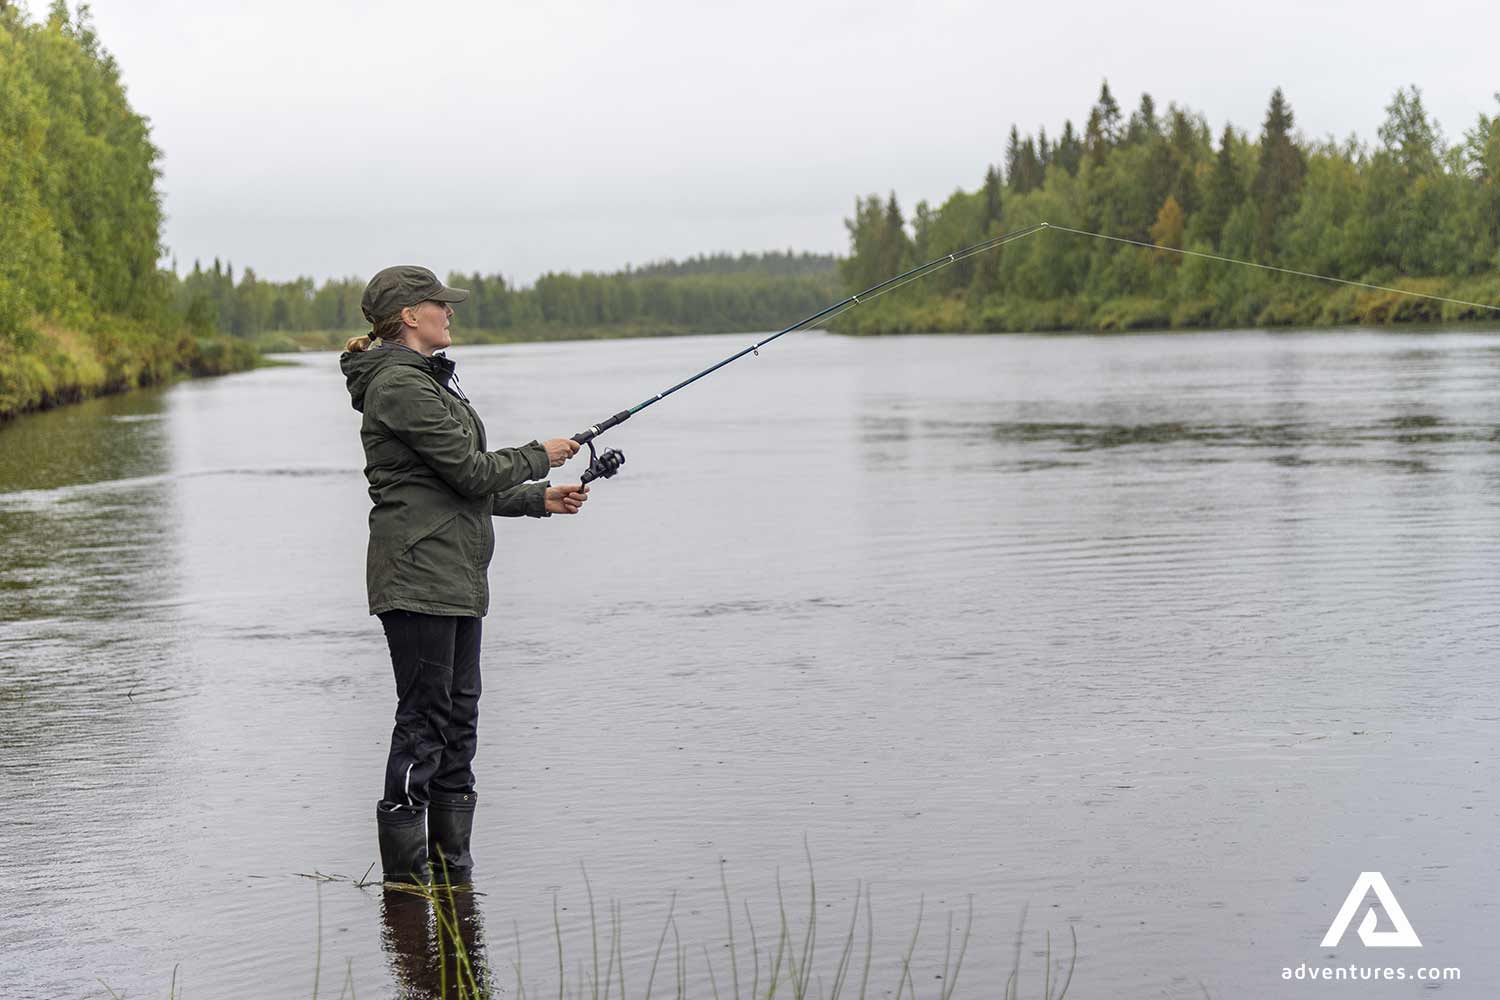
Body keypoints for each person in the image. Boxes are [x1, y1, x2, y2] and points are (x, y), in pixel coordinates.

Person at [339, 264, 590, 885]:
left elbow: (452, 488)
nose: (450, 313)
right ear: (408, 316)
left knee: (459, 719)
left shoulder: (429, 382)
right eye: (439, 305)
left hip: (453, 577)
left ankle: (453, 874)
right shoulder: (400, 386)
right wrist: (540, 452)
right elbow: (473, 472)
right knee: (424, 721)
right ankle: (403, 882)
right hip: (417, 577)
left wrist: (537, 497)